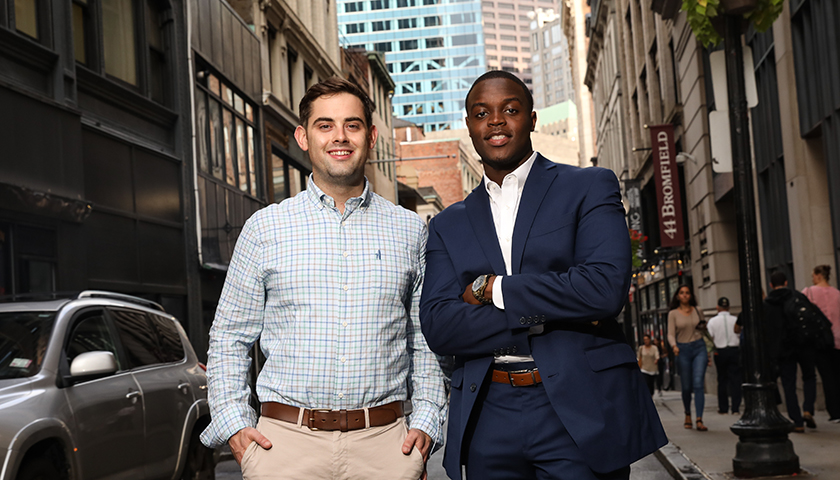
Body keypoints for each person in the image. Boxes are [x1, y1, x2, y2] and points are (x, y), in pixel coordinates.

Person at [419, 70, 666, 480]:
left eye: (510, 110)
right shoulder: (448, 223)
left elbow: (603, 290)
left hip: (578, 409)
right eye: (482, 113)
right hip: (487, 416)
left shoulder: (587, 186)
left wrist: (493, 288)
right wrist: (550, 311)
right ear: (469, 126)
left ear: (532, 119)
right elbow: (441, 327)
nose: (496, 121)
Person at [199, 77, 448, 479]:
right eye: (325, 125)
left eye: (352, 125)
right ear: (303, 136)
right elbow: (229, 336)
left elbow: (426, 338)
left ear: (370, 135)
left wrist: (426, 421)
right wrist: (234, 424)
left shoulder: (410, 230)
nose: (340, 137)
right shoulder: (265, 228)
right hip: (284, 447)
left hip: (386, 446)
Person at [764, 271, 817, 433]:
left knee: (789, 385)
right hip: (802, 344)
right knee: (809, 376)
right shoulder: (797, 297)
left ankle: (797, 421)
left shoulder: (768, 304)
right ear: (786, 282)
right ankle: (808, 408)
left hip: (784, 348)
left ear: (771, 285)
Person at [667, 285, 709, 431]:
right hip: (682, 349)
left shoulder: (698, 310)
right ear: (677, 296)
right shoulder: (673, 314)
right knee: (686, 387)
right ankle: (687, 414)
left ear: (691, 295)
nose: (685, 295)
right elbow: (670, 333)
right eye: (682, 293)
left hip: (699, 348)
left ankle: (699, 419)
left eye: (687, 293)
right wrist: (674, 346)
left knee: (698, 384)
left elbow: (704, 330)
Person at [802, 265, 840, 423]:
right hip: (838, 339)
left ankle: (835, 410)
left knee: (827, 376)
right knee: (838, 374)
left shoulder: (808, 292)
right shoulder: (838, 294)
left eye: (813, 275)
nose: (812, 278)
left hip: (819, 340)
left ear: (818, 275)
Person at [706, 297, 742, 415]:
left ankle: (723, 407)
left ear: (717, 307)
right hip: (734, 350)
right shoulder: (735, 319)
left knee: (722, 379)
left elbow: (709, 338)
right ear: (729, 307)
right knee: (735, 379)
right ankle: (736, 407)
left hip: (720, 352)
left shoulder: (712, 321)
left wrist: (709, 354)